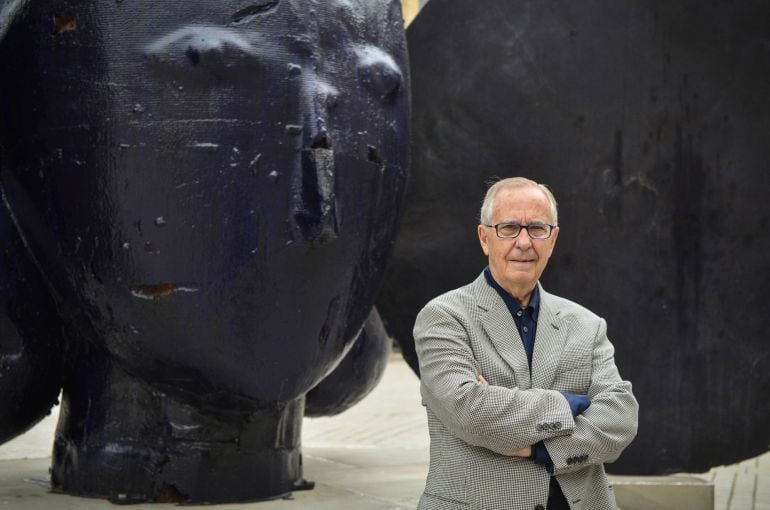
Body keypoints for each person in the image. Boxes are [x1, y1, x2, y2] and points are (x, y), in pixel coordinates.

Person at [414, 177, 639, 510]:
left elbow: (621, 419)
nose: (523, 242)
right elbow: (470, 411)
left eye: (537, 228)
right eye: (508, 228)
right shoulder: (444, 318)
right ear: (484, 238)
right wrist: (570, 403)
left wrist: (540, 449)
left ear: (553, 239)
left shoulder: (587, 325)